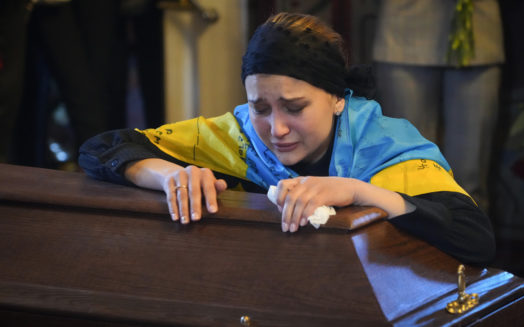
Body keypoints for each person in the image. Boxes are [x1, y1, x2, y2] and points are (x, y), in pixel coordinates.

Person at [79, 12, 495, 264]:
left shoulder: (384, 145)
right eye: (261, 108)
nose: (275, 129)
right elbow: (100, 148)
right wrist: (171, 176)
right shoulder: (237, 135)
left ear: (336, 99)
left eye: (294, 108)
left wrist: (358, 191)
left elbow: (474, 238)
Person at [371, 0, 505, 212]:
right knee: (409, 177)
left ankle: (469, 242)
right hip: (404, 29)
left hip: (479, 31)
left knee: (470, 181)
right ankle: (412, 244)